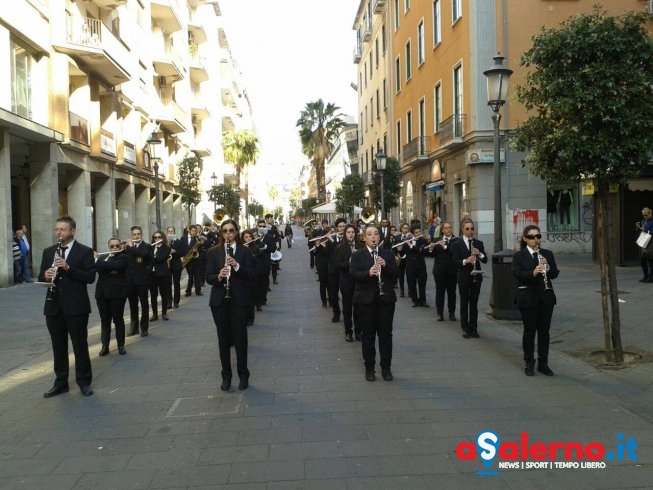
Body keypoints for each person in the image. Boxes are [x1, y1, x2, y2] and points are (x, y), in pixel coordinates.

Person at [38, 215, 96, 398]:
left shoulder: (84, 251)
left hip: (76, 306)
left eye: (62, 229)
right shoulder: (49, 252)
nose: (58, 233)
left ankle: (84, 382)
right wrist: (46, 276)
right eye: (57, 229)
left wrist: (69, 268)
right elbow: (40, 276)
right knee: (58, 346)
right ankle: (61, 382)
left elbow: (90, 277)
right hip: (53, 306)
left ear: (72, 231)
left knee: (80, 345)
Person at [206, 219, 255, 391]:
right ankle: (226, 376)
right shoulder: (213, 252)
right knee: (223, 340)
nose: (228, 234)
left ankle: (243, 375)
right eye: (225, 231)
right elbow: (208, 277)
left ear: (236, 232)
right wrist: (219, 276)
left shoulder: (244, 251)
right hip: (220, 301)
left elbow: (252, 274)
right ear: (221, 233)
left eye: (231, 230)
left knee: (241, 339)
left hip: (239, 301)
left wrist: (237, 265)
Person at [350, 226, 399, 382]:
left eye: (376, 234)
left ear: (380, 237)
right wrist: (367, 273)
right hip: (365, 301)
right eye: (369, 234)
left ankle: (386, 368)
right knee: (368, 336)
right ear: (364, 237)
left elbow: (395, 274)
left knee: (385, 335)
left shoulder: (388, 254)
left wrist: (386, 265)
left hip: (386, 300)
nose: (373, 237)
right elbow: (353, 274)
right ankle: (369, 368)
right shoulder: (358, 255)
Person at [512, 225, 560, 376]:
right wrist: (533, 272)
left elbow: (554, 274)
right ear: (525, 238)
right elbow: (517, 274)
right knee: (529, 332)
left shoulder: (547, 254)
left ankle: (543, 363)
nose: (536, 239)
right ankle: (529, 362)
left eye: (538, 236)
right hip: (528, 298)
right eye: (532, 237)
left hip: (546, 298)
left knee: (544, 332)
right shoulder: (519, 256)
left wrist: (548, 267)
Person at [451, 219, 487, 339]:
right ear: (462, 229)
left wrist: (479, 254)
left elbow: (485, 259)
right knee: (464, 302)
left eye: (472, 229)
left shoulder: (478, 243)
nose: (470, 231)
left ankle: (474, 328)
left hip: (476, 275)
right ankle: (465, 328)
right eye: (467, 229)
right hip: (464, 276)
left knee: (474, 304)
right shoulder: (457, 244)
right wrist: (465, 261)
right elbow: (454, 261)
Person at [94, 237, 129, 356]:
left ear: (121, 247)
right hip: (102, 294)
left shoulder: (124, 257)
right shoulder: (103, 258)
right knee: (105, 321)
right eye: (112, 246)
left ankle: (121, 345)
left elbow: (115, 267)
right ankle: (105, 346)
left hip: (117, 294)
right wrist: (104, 265)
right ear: (108, 247)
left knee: (118, 320)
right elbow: (98, 269)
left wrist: (100, 263)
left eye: (117, 246)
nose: (114, 248)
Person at [426, 222, 458, 321]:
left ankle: (451, 313)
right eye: (446, 228)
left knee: (451, 292)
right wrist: (431, 249)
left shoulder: (456, 240)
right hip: (439, 271)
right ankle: (439, 313)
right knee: (440, 292)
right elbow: (432, 255)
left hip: (452, 270)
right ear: (443, 230)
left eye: (450, 227)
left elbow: (455, 253)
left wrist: (445, 246)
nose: (449, 230)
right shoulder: (436, 240)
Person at [335, 224, 362, 342]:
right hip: (346, 282)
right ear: (345, 234)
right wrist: (350, 261)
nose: (351, 234)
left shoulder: (361, 246)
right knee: (347, 309)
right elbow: (338, 265)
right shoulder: (340, 248)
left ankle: (358, 331)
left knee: (359, 309)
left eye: (352, 232)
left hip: (359, 282)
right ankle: (348, 332)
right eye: (348, 232)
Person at [125, 226, 150, 337]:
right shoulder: (127, 248)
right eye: (134, 234)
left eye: (138, 234)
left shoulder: (147, 246)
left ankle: (144, 328)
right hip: (130, 281)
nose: (136, 236)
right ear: (132, 235)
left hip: (142, 280)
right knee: (132, 305)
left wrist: (131, 246)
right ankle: (134, 328)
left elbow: (143, 255)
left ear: (141, 234)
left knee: (144, 305)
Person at [404, 225, 429, 307]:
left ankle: (423, 300)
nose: (418, 234)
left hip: (421, 266)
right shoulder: (407, 241)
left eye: (419, 232)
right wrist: (400, 249)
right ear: (412, 233)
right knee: (412, 284)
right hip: (411, 266)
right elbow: (403, 252)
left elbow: (421, 251)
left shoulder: (423, 241)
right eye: (416, 232)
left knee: (422, 284)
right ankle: (415, 301)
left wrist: (411, 246)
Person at [149, 231, 172, 322]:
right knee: (153, 295)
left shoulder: (166, 248)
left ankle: (164, 313)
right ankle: (155, 314)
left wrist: (152, 257)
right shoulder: (151, 247)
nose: (157, 239)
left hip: (163, 274)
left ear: (162, 238)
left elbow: (160, 259)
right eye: (155, 237)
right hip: (152, 274)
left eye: (159, 237)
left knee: (164, 294)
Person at [176, 225, 204, 297]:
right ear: (189, 230)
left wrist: (200, 246)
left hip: (196, 259)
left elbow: (201, 250)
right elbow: (180, 248)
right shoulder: (183, 238)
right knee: (190, 276)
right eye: (193, 231)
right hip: (187, 259)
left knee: (197, 276)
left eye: (195, 231)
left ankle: (198, 290)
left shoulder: (197, 238)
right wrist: (181, 257)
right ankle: (188, 291)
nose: (194, 232)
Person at [327, 218, 346, 322]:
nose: (342, 228)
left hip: (344, 269)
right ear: (336, 228)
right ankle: (336, 313)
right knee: (333, 294)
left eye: (344, 226)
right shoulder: (330, 239)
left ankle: (346, 312)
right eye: (340, 226)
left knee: (345, 293)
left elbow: (341, 249)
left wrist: (332, 240)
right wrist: (319, 245)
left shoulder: (348, 238)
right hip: (333, 269)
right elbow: (328, 253)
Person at [312, 219, 332, 308]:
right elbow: (315, 253)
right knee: (323, 284)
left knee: (330, 285)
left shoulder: (332, 241)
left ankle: (331, 301)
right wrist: (317, 246)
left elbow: (333, 252)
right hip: (321, 266)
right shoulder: (320, 240)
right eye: (328, 233)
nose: (329, 235)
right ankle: (324, 302)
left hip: (330, 265)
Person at [166, 226, 183, 308]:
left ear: (174, 232)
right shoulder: (165, 242)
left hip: (176, 264)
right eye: (169, 231)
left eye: (172, 231)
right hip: (167, 265)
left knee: (176, 283)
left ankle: (176, 302)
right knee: (168, 284)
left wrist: (175, 251)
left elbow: (183, 252)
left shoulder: (179, 242)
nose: (170, 233)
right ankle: (169, 301)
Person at [636, 207, 653, 283]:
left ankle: (651, 277)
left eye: (646, 215)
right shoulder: (643, 221)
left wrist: (645, 230)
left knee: (650, 260)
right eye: (643, 215)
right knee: (642, 260)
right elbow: (641, 231)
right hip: (643, 243)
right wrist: (638, 228)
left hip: (651, 243)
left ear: (650, 213)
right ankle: (646, 276)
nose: (645, 217)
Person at [393, 223, 410, 297]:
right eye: (404, 228)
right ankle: (402, 290)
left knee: (409, 275)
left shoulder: (411, 237)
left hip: (409, 258)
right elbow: (393, 248)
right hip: (400, 258)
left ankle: (410, 290)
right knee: (401, 275)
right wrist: (396, 255)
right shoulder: (397, 237)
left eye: (407, 228)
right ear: (401, 229)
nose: (405, 229)